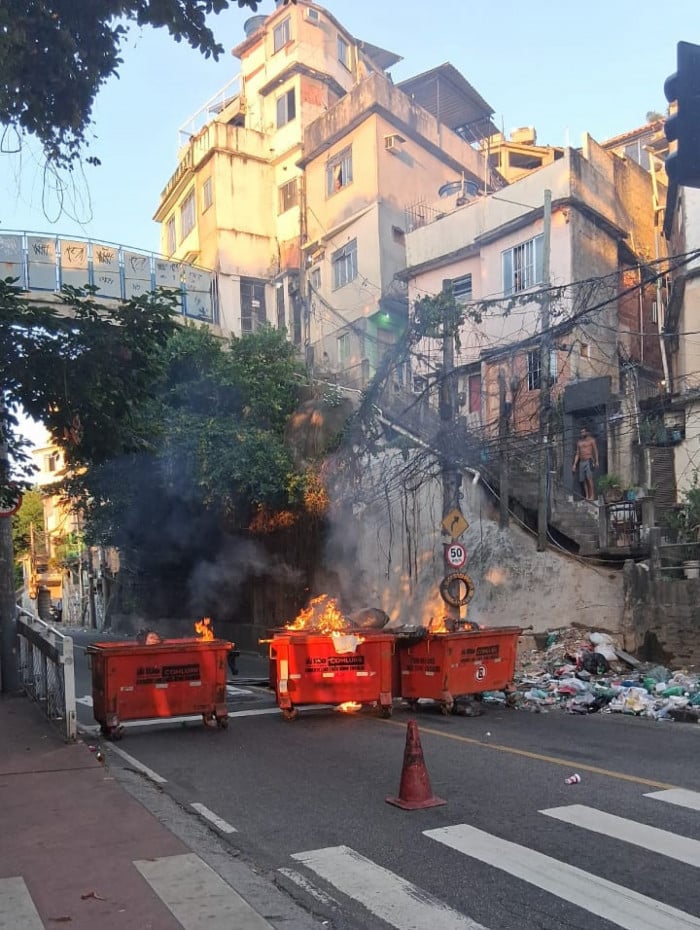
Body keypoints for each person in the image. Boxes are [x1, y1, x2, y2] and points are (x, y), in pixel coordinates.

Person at [572, 426, 599, 501]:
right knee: (583, 479)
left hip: (589, 460)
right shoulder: (579, 442)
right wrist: (574, 464)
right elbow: (577, 453)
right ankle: (587, 496)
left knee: (589, 478)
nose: (582, 433)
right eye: (581, 432)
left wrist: (597, 461)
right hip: (581, 462)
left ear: (587, 432)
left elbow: (595, 451)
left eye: (583, 432)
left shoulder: (591, 440)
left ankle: (592, 495)